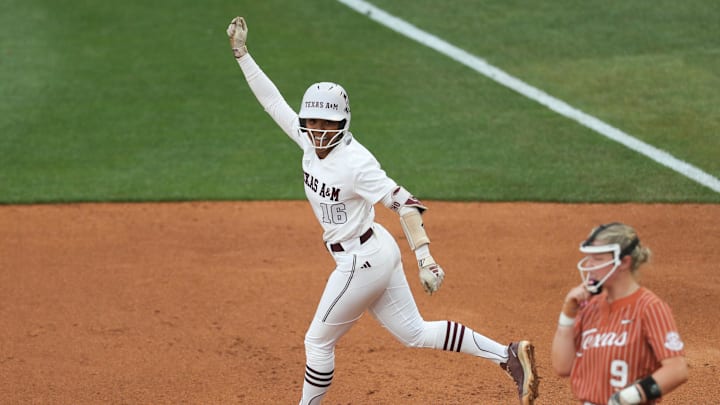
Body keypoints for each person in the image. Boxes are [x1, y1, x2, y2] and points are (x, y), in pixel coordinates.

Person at [226, 16, 539, 405]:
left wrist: (424, 257)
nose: (318, 129)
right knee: (414, 333)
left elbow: (406, 204)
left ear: (343, 123)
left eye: (327, 122)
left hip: (362, 261)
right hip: (376, 251)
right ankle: (508, 355)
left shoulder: (356, 163)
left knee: (317, 341)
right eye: (312, 121)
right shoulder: (308, 141)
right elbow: (274, 102)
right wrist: (242, 54)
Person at [551, 222, 688, 404]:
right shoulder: (590, 307)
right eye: (589, 258)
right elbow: (562, 366)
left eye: (598, 259)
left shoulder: (650, 307)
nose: (589, 265)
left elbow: (677, 370)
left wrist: (627, 398)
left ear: (624, 262)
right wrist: (568, 313)